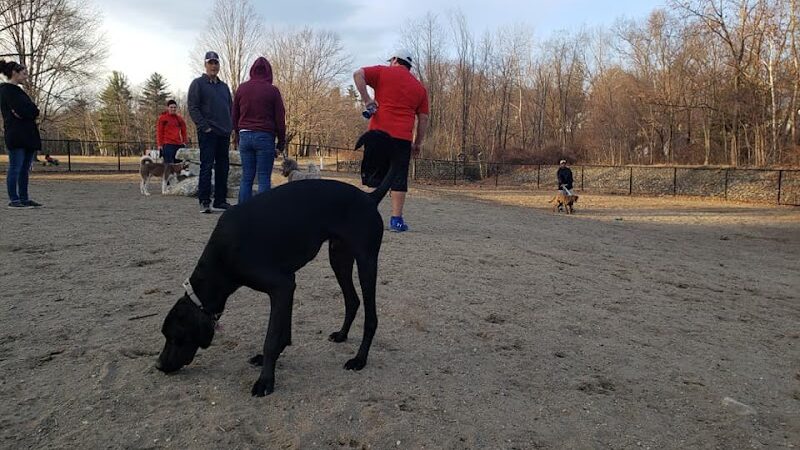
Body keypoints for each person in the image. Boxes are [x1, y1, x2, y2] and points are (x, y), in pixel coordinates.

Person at [353, 49, 429, 232]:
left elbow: (357, 74)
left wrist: (367, 100)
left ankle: (368, 217)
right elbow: (424, 118)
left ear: (395, 60)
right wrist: (417, 143)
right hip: (402, 137)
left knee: (373, 176)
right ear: (409, 66)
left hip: (378, 133)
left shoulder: (382, 72)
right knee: (398, 177)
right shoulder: (419, 88)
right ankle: (396, 220)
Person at [232, 56, 286, 204]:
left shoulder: (242, 88)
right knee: (263, 177)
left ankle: (242, 213)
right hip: (264, 136)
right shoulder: (273, 91)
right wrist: (281, 143)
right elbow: (280, 119)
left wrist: (238, 135)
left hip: (245, 135)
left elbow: (234, 115)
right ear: (269, 72)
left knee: (247, 177)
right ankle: (263, 215)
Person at [188, 51, 233, 213]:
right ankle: (204, 201)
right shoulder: (198, 84)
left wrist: (230, 126)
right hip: (208, 133)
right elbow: (193, 107)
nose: (213, 66)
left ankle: (220, 200)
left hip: (224, 133)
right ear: (205, 65)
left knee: (223, 167)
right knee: (206, 166)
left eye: (216, 63)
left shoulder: (224, 87)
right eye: (210, 63)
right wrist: (204, 126)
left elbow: (230, 107)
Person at [0, 59, 42, 209]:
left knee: (25, 169)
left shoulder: (19, 91)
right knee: (15, 167)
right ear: (14, 73)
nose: (26, 76)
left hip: (28, 135)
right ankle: (14, 199)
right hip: (16, 134)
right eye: (24, 73)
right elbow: (22, 110)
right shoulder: (5, 90)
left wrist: (29, 112)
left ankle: (24, 198)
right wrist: (27, 112)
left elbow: (33, 111)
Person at [156, 99, 188, 164]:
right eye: (171, 107)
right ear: (168, 108)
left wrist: (184, 142)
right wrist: (160, 144)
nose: (173, 109)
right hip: (167, 145)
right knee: (168, 167)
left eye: (174, 107)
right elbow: (159, 132)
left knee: (179, 166)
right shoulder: (163, 118)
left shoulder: (179, 119)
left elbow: (184, 130)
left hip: (178, 145)